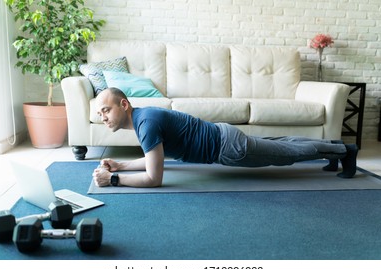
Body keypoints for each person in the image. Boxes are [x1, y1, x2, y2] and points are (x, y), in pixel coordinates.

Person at [92, 87, 358, 188]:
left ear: (124, 105)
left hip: (229, 148)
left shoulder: (146, 124)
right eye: (100, 113)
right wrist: (120, 165)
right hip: (224, 136)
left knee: (286, 154)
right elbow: (154, 162)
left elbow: (154, 178)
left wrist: (114, 179)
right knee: (282, 143)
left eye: (106, 110)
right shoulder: (143, 118)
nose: (103, 117)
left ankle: (345, 151)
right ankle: (332, 148)